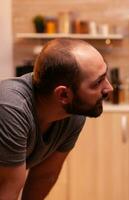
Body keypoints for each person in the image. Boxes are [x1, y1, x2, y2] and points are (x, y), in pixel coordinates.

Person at [0, 38, 113, 199]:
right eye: (98, 82)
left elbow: (45, 175)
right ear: (63, 94)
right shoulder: (11, 108)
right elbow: (8, 187)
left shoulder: (72, 114)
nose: (109, 88)